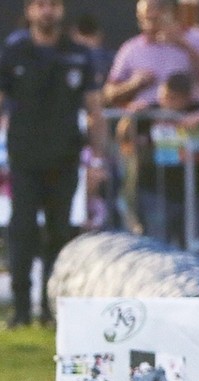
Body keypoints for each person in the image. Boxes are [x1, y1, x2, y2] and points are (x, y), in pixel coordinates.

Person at [0, 0, 108, 328]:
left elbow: (95, 110)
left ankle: (51, 308)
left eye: (53, 5)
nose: (47, 11)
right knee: (22, 232)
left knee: (60, 234)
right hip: (25, 158)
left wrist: (97, 158)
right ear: (30, 11)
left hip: (64, 158)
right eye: (41, 5)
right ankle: (20, 310)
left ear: (61, 11)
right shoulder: (14, 51)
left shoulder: (78, 53)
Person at [116, 73, 199, 247]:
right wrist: (129, 117)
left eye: (173, 98)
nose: (166, 102)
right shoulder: (149, 112)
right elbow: (124, 139)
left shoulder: (198, 112)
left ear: (186, 99)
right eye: (163, 95)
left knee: (193, 247)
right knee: (157, 246)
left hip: (192, 193)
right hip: (153, 191)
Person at [103, 0, 199, 108]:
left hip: (191, 119)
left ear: (172, 14)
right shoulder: (130, 48)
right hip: (148, 120)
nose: (149, 25)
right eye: (143, 19)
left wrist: (183, 45)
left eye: (155, 19)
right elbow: (108, 93)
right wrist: (134, 84)